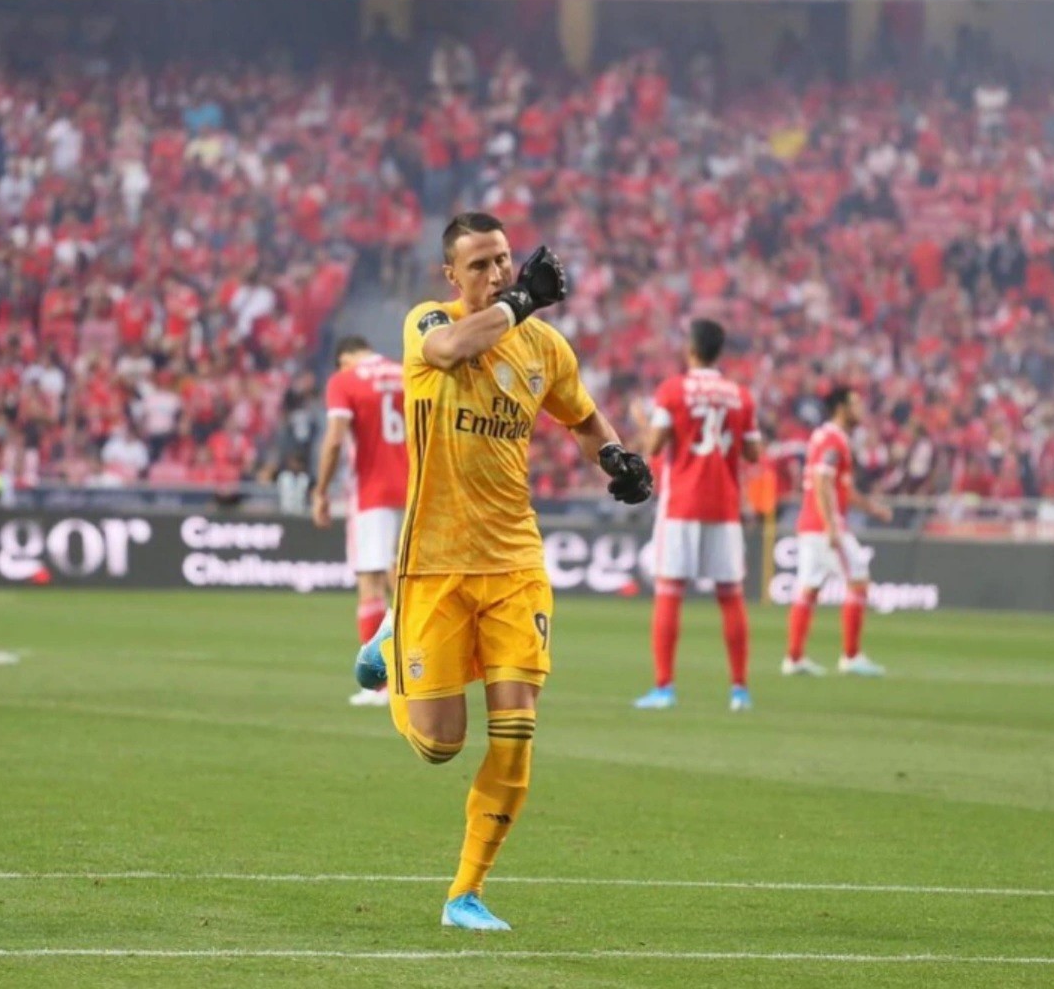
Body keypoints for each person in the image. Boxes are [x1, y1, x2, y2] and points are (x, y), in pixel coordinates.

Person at [353, 211, 652, 931]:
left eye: (504, 260)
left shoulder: (545, 347)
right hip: (434, 564)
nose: (495, 274)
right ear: (451, 275)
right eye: (480, 264)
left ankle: (466, 893)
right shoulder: (429, 322)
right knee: (439, 745)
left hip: (515, 562)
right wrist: (521, 299)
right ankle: (394, 641)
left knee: (516, 733)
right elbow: (454, 349)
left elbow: (582, 418)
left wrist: (616, 457)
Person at [632, 318, 761, 712]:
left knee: (670, 592)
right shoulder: (740, 395)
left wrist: (641, 420)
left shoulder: (673, 390)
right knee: (730, 595)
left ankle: (664, 688)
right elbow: (754, 453)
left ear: (690, 349)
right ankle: (739, 690)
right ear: (719, 352)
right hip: (724, 505)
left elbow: (654, 446)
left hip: (682, 505)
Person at [313, 335, 408, 707]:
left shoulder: (345, 380)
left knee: (371, 584)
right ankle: (421, 673)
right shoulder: (407, 373)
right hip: (416, 490)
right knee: (407, 584)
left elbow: (336, 440)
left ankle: (380, 686)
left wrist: (321, 490)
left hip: (372, 494)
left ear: (344, 359)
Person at [783, 386, 893, 677]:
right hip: (824, 526)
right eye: (855, 404)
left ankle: (794, 658)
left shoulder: (824, 436)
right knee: (858, 580)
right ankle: (851, 656)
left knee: (808, 589)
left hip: (810, 524)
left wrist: (872, 509)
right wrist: (831, 525)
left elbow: (843, 488)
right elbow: (822, 481)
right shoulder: (834, 440)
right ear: (841, 408)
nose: (861, 409)